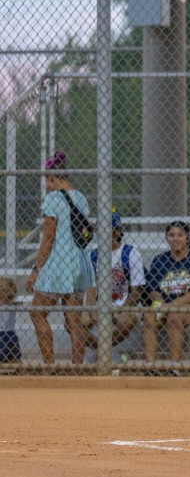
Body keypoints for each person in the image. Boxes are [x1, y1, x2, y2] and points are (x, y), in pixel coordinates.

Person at [26, 151, 95, 365]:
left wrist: (36, 270)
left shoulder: (53, 199)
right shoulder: (80, 197)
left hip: (59, 262)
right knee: (74, 320)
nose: (46, 184)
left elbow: (48, 238)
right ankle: (77, 371)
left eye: (48, 178)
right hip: (79, 262)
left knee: (37, 313)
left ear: (54, 177)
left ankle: (49, 367)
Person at [142, 220, 190, 376]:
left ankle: (174, 368)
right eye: (171, 235)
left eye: (180, 235)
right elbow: (153, 289)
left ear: (187, 238)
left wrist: (172, 305)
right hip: (165, 306)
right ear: (167, 239)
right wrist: (158, 299)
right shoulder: (159, 260)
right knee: (148, 315)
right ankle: (150, 367)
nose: (175, 238)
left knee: (175, 315)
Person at [82, 210, 146, 360]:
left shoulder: (130, 253)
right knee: (74, 323)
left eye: (109, 229)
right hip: (100, 304)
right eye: (100, 230)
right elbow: (91, 289)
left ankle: (103, 351)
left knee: (126, 321)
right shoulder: (93, 254)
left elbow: (137, 291)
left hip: (124, 305)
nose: (104, 234)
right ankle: (103, 350)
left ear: (117, 231)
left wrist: (120, 309)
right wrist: (92, 310)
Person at [0, 277, 22, 363]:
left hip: (1, 336)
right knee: (15, 359)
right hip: (12, 335)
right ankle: (21, 371)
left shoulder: (11, 304)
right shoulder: (13, 304)